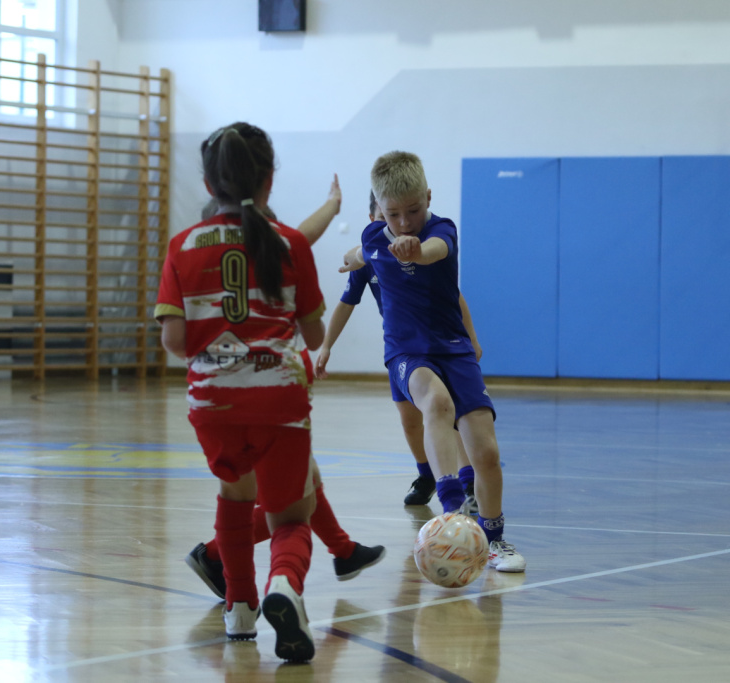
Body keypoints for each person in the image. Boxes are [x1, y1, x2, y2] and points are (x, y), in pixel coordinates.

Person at [155, 122, 324, 661]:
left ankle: (239, 607)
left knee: (234, 496)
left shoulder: (183, 246)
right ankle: (284, 586)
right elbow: (314, 335)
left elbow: (174, 342)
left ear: (209, 184)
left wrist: (222, 348)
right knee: (291, 515)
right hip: (279, 397)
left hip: (214, 403)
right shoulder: (292, 243)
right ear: (269, 180)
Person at [187, 179, 386, 599]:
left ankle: (343, 551)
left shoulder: (222, 253)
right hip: (265, 394)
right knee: (294, 502)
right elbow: (300, 241)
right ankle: (217, 555)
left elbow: (302, 235)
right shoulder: (268, 253)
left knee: (307, 483)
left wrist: (332, 206)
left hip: (240, 395)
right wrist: (331, 206)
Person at [339, 151, 526, 573]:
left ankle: (494, 540)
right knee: (436, 403)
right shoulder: (374, 236)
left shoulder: (442, 230)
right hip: (407, 353)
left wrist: (415, 251)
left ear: (428, 197)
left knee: (486, 452)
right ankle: (451, 510)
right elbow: (364, 252)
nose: (404, 222)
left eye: (413, 211)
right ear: (380, 209)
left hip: (454, 349)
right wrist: (352, 257)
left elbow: (433, 252)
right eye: (393, 214)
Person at [315, 191, 481, 511]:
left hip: (440, 344)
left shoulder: (424, 248)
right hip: (401, 347)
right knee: (409, 419)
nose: (399, 228)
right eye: (387, 218)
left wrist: (471, 339)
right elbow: (346, 303)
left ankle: (467, 481)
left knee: (445, 411)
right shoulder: (371, 254)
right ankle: (426, 474)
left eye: (407, 215)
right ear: (374, 220)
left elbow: (456, 297)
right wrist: (326, 345)